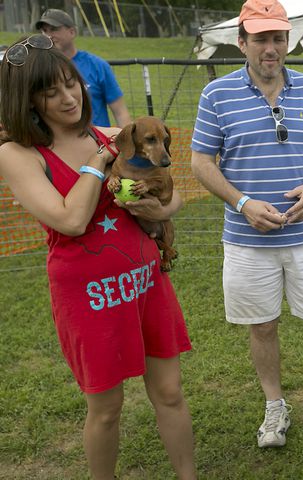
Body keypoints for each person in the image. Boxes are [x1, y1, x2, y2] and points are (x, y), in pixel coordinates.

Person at [0, 36, 196, 479]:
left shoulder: (106, 134)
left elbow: (172, 191)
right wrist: (97, 161)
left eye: (73, 84)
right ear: (27, 99)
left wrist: (162, 209)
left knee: (170, 392)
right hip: (89, 297)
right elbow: (70, 220)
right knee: (106, 408)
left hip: (146, 283)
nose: (69, 97)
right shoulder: (18, 155)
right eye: (51, 91)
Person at [190, 0, 303, 449]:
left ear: (288, 42)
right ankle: (274, 406)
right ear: (241, 43)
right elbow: (201, 161)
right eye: (261, 38)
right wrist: (242, 203)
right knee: (261, 325)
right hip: (246, 239)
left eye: (278, 38)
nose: (270, 47)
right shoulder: (217, 95)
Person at [36, 9, 131, 128]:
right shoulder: (39, 69)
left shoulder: (97, 66)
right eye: (44, 31)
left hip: (97, 142)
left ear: (72, 32)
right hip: (56, 144)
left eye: (54, 29)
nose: (48, 35)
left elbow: (120, 112)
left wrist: (125, 143)